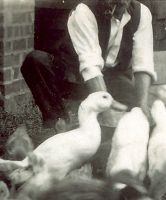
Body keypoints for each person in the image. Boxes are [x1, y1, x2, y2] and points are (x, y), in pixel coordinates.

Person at [21, 0, 157, 134]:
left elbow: (143, 62)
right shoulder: (84, 10)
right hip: (73, 75)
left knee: (138, 118)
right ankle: (59, 123)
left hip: (112, 77)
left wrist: (142, 103)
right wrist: (106, 106)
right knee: (36, 61)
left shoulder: (142, 13)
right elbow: (90, 64)